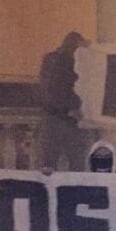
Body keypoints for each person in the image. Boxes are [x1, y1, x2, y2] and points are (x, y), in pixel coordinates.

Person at [40, 31, 90, 170]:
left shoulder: (51, 60)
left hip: (54, 118)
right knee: (75, 162)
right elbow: (59, 89)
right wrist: (72, 108)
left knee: (52, 163)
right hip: (64, 119)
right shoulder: (63, 62)